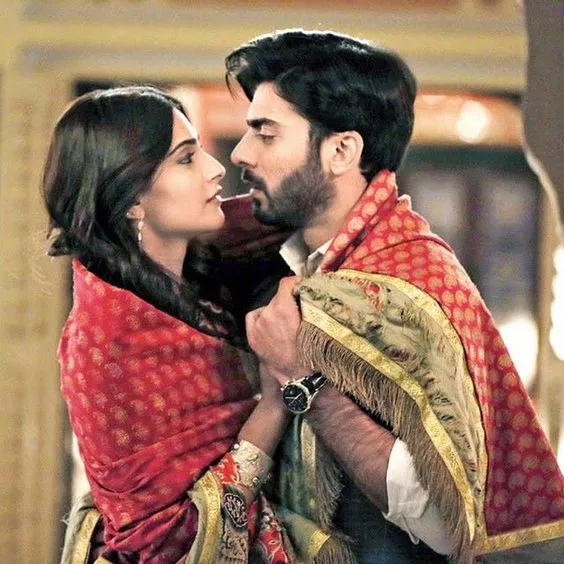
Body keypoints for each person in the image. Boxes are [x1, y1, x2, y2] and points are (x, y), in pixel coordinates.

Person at [225, 29, 564, 563]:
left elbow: (451, 523)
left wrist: (301, 378)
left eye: (265, 134)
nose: (241, 152)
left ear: (342, 150)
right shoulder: (307, 270)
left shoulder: (413, 286)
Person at [44, 85, 299, 563]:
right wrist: (274, 403)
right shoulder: (106, 343)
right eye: (186, 158)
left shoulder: (207, 272)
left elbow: (280, 210)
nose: (215, 168)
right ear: (131, 200)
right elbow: (163, 541)